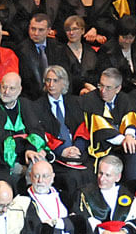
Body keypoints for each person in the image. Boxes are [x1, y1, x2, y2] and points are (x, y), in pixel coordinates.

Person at [0, 72, 47, 182]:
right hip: (3, 160)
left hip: (29, 156)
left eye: (12, 88)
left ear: (20, 90)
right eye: (4, 87)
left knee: (39, 163)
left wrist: (30, 149)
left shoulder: (27, 105)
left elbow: (37, 132)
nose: (6, 92)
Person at [34, 65, 93, 198]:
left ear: (64, 82)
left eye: (55, 81)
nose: (51, 84)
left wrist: (77, 148)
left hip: (77, 154)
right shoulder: (37, 106)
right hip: (56, 156)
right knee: (72, 177)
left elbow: (82, 128)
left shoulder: (75, 102)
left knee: (90, 172)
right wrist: (62, 150)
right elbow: (41, 134)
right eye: (48, 80)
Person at [17, 12, 66, 100]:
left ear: (48, 30)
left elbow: (65, 75)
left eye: (41, 30)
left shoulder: (58, 47)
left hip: (56, 96)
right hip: (32, 99)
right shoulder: (21, 50)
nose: (36, 33)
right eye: (33, 29)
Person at [58, 15, 98, 94]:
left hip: (91, 92)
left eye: (75, 29)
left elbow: (96, 74)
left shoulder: (90, 51)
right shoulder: (60, 52)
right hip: (70, 94)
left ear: (83, 30)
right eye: (68, 30)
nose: (71, 33)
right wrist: (84, 85)